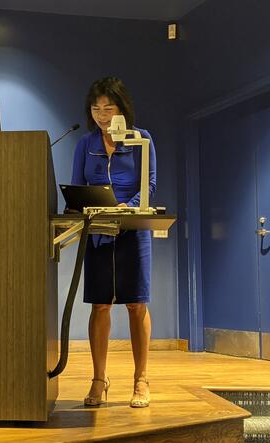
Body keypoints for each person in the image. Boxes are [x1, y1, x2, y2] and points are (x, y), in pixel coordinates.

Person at [71, 77, 156, 408]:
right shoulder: (85, 144)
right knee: (100, 304)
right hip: (98, 232)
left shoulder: (141, 139)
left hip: (134, 228)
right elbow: (77, 186)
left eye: (108, 108)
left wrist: (129, 206)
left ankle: (141, 380)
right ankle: (99, 379)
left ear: (122, 109)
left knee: (137, 303)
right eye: (96, 109)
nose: (102, 116)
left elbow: (149, 181)